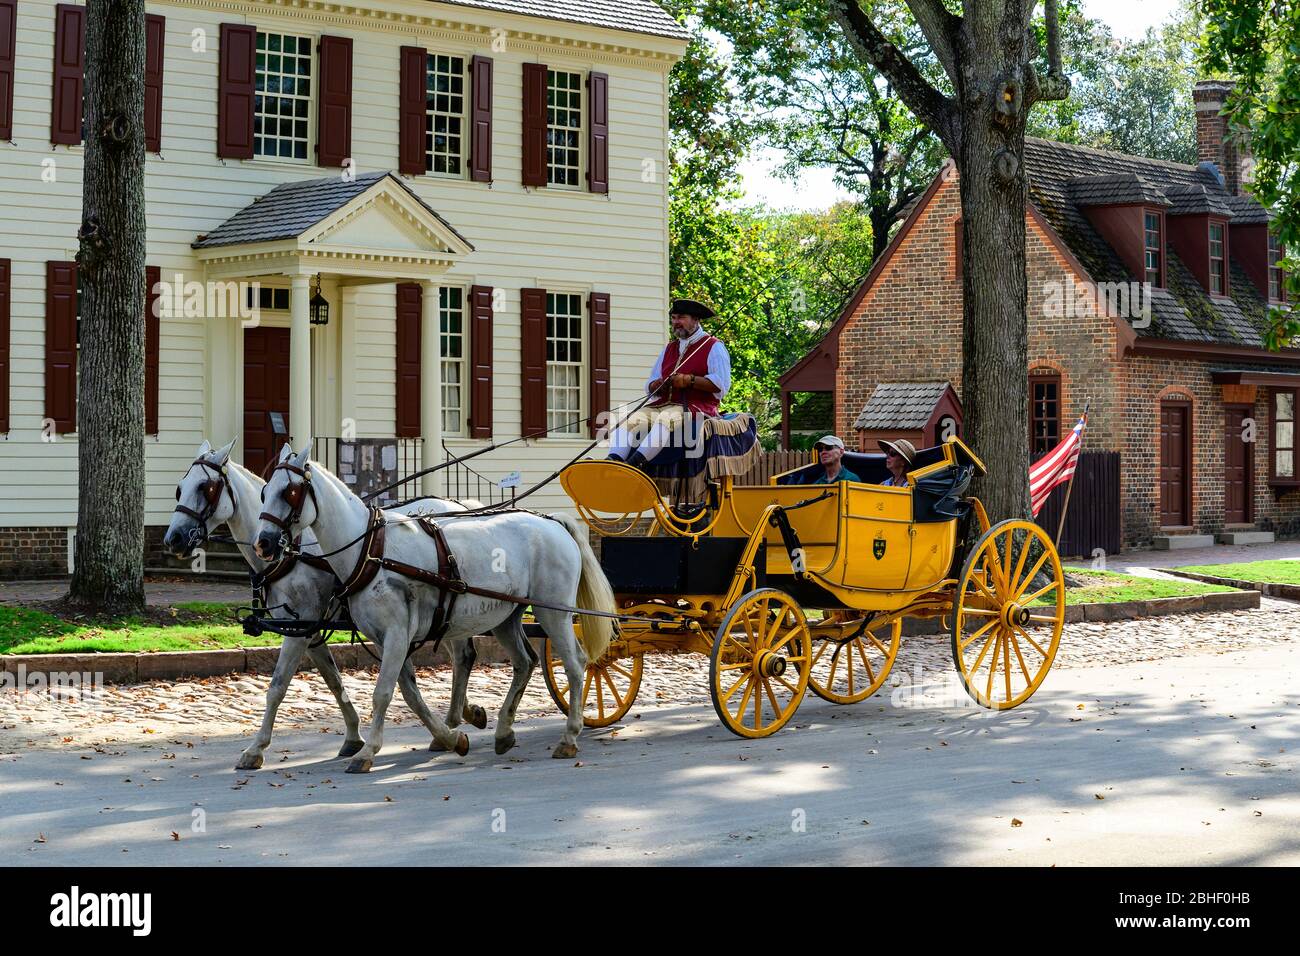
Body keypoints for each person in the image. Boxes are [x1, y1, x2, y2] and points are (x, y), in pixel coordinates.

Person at [607, 299, 731, 467]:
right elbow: (651, 384)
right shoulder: (669, 348)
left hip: (696, 406)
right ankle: (613, 462)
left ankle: (634, 464)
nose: (676, 322)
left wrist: (690, 380)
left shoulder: (713, 346)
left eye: (681, 317)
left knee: (665, 419)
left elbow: (721, 385)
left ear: (695, 319)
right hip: (662, 403)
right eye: (673, 318)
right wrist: (658, 384)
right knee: (628, 420)